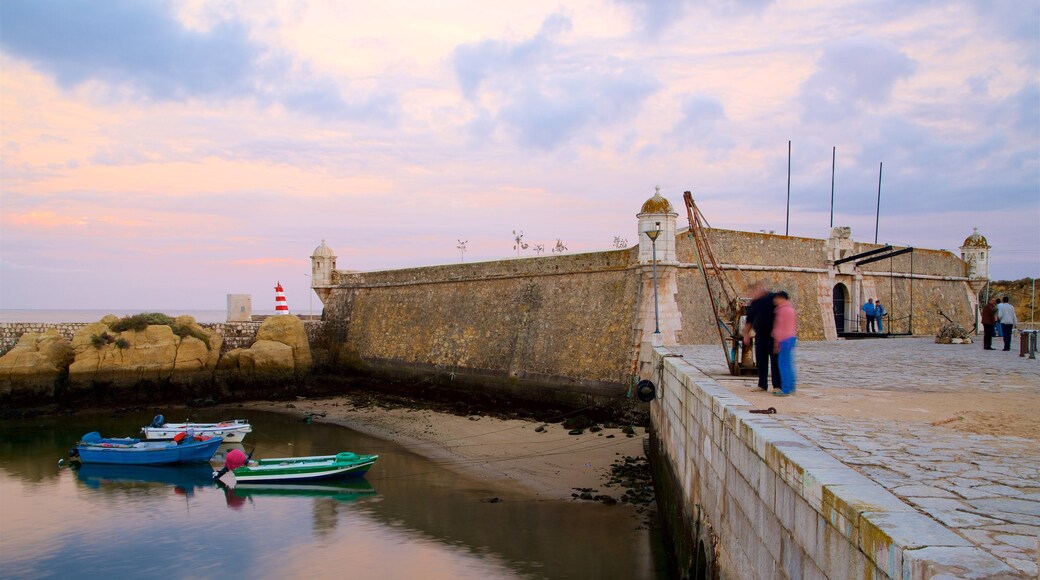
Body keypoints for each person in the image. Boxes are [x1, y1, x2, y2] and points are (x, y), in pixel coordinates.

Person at [742, 284, 782, 391]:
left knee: (775, 361)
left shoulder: (773, 298)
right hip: (760, 336)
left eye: (754, 291)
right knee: (761, 361)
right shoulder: (754, 303)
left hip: (773, 336)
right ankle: (762, 384)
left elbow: (781, 313)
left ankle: (777, 386)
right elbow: (749, 320)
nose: (753, 294)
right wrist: (746, 334)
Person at [772, 291, 797, 396]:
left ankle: (785, 389)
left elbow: (779, 328)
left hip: (784, 339)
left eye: (776, 298)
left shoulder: (781, 311)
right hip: (791, 338)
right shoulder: (791, 309)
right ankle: (791, 386)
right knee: (789, 364)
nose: (775, 300)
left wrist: (776, 343)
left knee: (783, 365)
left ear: (781, 298)